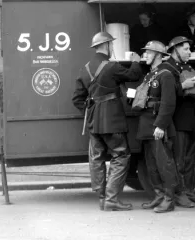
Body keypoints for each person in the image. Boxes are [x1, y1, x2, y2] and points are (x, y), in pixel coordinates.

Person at [72, 31, 142, 211]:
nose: (112, 48)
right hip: (112, 121)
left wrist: (91, 111)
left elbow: (77, 99)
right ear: (107, 45)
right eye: (111, 45)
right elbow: (133, 75)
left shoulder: (85, 68)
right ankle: (112, 198)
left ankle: (103, 198)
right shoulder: (112, 67)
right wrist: (135, 60)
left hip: (94, 123)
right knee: (121, 155)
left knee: (96, 159)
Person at [135, 41, 179, 213]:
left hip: (157, 125)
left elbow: (168, 103)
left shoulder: (165, 74)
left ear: (158, 55)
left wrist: (161, 125)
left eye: (148, 52)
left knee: (164, 163)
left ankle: (169, 199)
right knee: (151, 164)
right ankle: (159, 195)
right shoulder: (150, 74)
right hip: (146, 124)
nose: (144, 55)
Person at [165, 36, 195, 206]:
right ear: (175, 49)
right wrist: (184, 86)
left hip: (193, 119)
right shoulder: (167, 68)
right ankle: (179, 193)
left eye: (189, 49)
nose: (189, 52)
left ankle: (188, 191)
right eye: (186, 49)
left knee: (192, 159)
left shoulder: (188, 66)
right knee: (179, 159)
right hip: (179, 120)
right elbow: (164, 93)